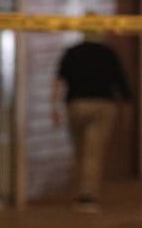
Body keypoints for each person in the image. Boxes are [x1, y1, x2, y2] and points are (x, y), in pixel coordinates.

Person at [54, 26, 132, 213]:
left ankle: (80, 192)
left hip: (76, 105)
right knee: (93, 152)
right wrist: (127, 112)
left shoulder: (72, 52)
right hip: (103, 106)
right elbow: (122, 84)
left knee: (80, 152)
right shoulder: (108, 54)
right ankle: (87, 197)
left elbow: (59, 80)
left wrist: (54, 106)